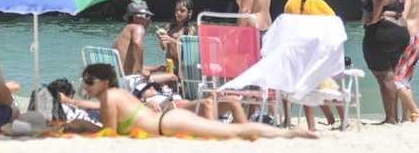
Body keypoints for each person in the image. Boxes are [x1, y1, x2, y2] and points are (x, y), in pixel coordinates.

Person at [64, 64, 318, 138]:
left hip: (170, 123)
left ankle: (291, 134)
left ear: (105, 82)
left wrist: (83, 126)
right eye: (84, 81)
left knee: (234, 131)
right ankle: (287, 134)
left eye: (90, 81)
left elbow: (109, 133)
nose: (86, 86)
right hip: (169, 120)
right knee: (232, 131)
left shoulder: (110, 97)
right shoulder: (118, 94)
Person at [283, 0, 338, 131]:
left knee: (292, 86)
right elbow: (334, 23)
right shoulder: (318, 3)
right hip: (314, 52)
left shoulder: (290, 2)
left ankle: (287, 119)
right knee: (319, 86)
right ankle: (330, 121)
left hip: (294, 51)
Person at [360, 0, 410, 124]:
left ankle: (390, 118)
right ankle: (393, 117)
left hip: (383, 31)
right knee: (390, 75)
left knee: (384, 77)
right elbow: (398, 5)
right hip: (401, 31)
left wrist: (374, 18)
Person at [112, 1, 178, 89]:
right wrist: (141, 70)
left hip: (120, 82)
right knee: (173, 78)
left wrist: (157, 68)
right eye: (147, 16)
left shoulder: (123, 34)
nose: (149, 21)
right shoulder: (138, 27)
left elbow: (132, 67)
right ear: (136, 17)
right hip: (131, 82)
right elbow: (137, 43)